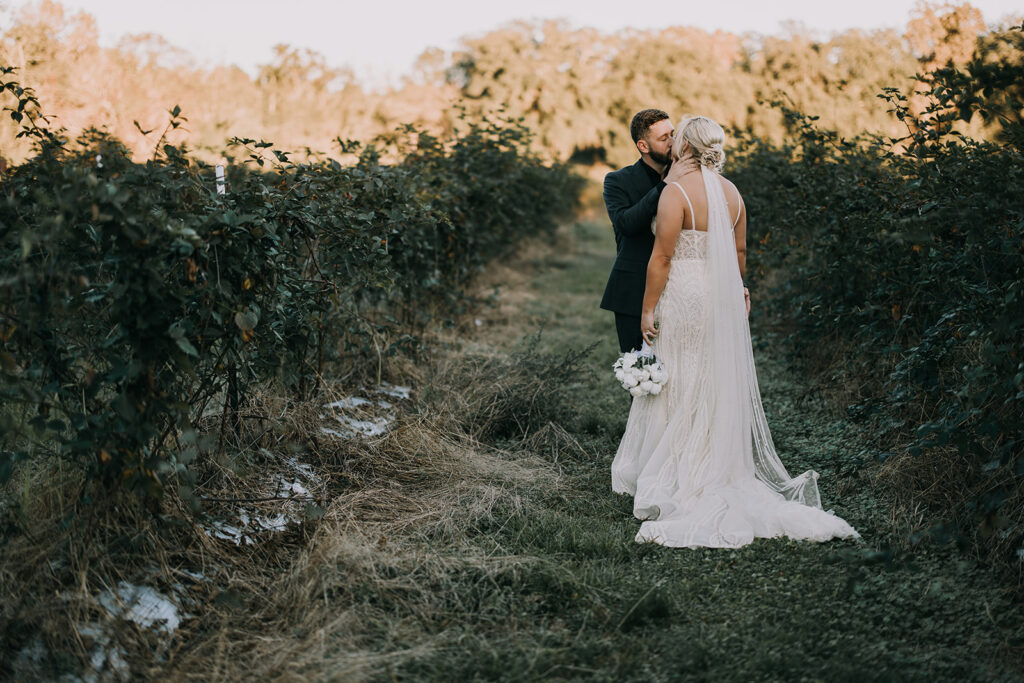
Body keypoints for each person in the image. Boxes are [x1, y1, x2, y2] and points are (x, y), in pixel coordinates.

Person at [611, 115, 860, 549]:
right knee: (711, 375)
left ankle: (676, 472)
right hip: (718, 296)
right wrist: (735, 288)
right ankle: (716, 463)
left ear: (684, 147)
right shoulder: (733, 193)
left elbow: (662, 259)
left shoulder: (675, 192)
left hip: (684, 295)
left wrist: (647, 309)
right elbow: (739, 251)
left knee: (679, 375)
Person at [600, 109, 697, 353]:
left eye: (673, 134)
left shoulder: (690, 178)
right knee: (641, 374)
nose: (673, 142)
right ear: (643, 145)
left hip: (683, 289)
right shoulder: (617, 181)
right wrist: (666, 184)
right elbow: (626, 224)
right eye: (664, 138)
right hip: (634, 290)